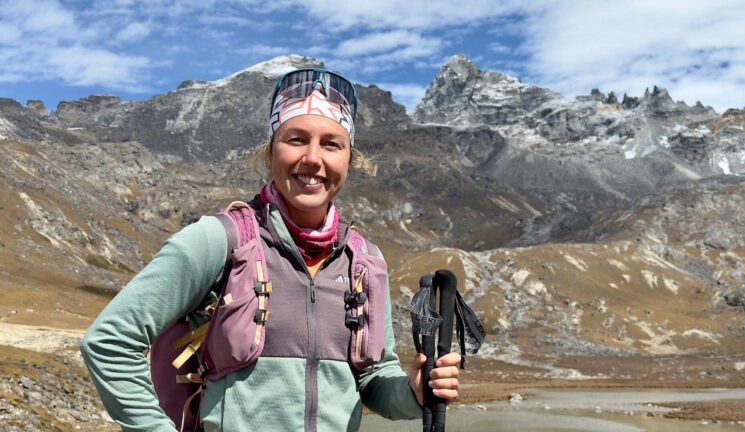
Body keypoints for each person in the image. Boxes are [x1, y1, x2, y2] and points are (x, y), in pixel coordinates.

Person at [80, 68, 462, 431]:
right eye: (295, 139)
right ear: (270, 150)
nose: (313, 159)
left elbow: (374, 377)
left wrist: (413, 391)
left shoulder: (365, 261)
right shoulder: (218, 240)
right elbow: (109, 342)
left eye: (331, 144)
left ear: (349, 159)